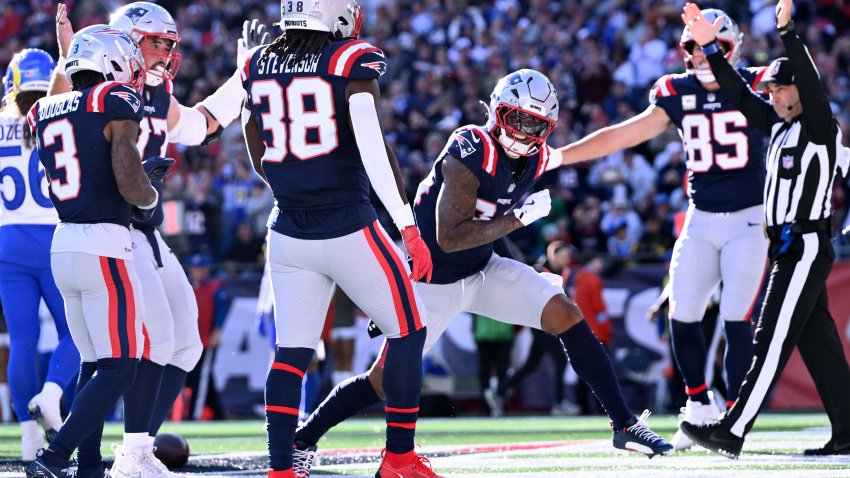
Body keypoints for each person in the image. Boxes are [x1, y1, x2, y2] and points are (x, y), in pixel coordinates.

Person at [291, 68, 673, 476]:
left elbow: (593, 146)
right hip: (431, 279)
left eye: (536, 124)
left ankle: (624, 423)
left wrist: (526, 269)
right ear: (497, 110)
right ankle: (303, 438)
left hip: (483, 268)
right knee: (382, 382)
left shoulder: (536, 157)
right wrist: (519, 220)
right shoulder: (471, 145)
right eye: (518, 118)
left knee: (565, 312)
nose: (525, 132)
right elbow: (449, 237)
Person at [49, 1, 265, 459]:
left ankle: (136, 447)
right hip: (114, 229)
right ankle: (131, 453)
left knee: (186, 343)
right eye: (157, 42)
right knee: (153, 342)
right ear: (124, 42)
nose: (167, 51)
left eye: (170, 43)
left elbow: (200, 125)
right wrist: (68, 57)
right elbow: (65, 108)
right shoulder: (104, 89)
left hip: (146, 231)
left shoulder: (155, 91)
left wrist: (242, 75)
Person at [239, 1, 440, 476]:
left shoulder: (256, 63)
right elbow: (372, 148)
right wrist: (407, 227)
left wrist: (288, 185)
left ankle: (282, 467)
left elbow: (254, 140)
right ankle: (399, 458)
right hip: (348, 225)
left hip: (288, 228)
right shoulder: (350, 60)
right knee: (409, 330)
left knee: (291, 354)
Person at [557, 7, 767, 450]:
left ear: (734, 48)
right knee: (682, 312)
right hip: (701, 215)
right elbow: (621, 135)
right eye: (692, 45)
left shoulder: (755, 82)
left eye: (714, 45)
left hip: (750, 218)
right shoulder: (676, 90)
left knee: (736, 317)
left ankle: (736, 417)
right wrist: (559, 157)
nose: (703, 54)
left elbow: (805, 105)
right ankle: (698, 408)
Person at [680, 0, 850, 458]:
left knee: (769, 334)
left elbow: (813, 86)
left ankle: (732, 430)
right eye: (771, 88)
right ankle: (849, 431)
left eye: (781, 87)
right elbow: (738, 95)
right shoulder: (779, 126)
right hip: (788, 246)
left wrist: (789, 33)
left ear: (801, 90)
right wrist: (710, 48)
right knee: (820, 347)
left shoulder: (818, 126)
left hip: (805, 243)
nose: (773, 94)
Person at [25, 25, 171, 478]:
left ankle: (88, 464)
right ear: (111, 61)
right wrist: (148, 195)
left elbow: (88, 158)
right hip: (104, 246)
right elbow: (127, 178)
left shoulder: (44, 109)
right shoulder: (114, 100)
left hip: (64, 242)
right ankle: (53, 456)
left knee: (95, 362)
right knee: (122, 366)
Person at [0, 48, 81, 461]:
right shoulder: (58, 115)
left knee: (22, 341)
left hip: (8, 241)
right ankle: (51, 396)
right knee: (77, 335)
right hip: (54, 236)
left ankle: (29, 438)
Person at [185, 254, 229, 421]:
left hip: (206, 340)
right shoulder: (187, 286)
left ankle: (193, 414)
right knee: (200, 377)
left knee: (201, 378)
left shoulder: (215, 287)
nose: (198, 272)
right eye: (195, 268)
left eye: (201, 268)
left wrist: (217, 331)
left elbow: (221, 310)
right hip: (190, 340)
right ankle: (218, 412)